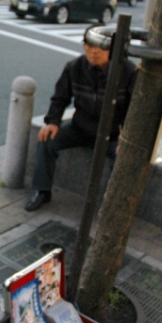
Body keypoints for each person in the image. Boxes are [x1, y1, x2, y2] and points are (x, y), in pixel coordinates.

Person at [25, 32, 137, 211]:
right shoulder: (74, 67)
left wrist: (127, 139)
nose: (94, 51)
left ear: (112, 49)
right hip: (80, 127)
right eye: (89, 46)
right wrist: (52, 121)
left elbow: (135, 111)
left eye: (101, 47)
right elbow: (60, 97)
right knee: (47, 140)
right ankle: (42, 191)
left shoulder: (128, 72)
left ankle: (112, 207)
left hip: (112, 133)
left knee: (124, 159)